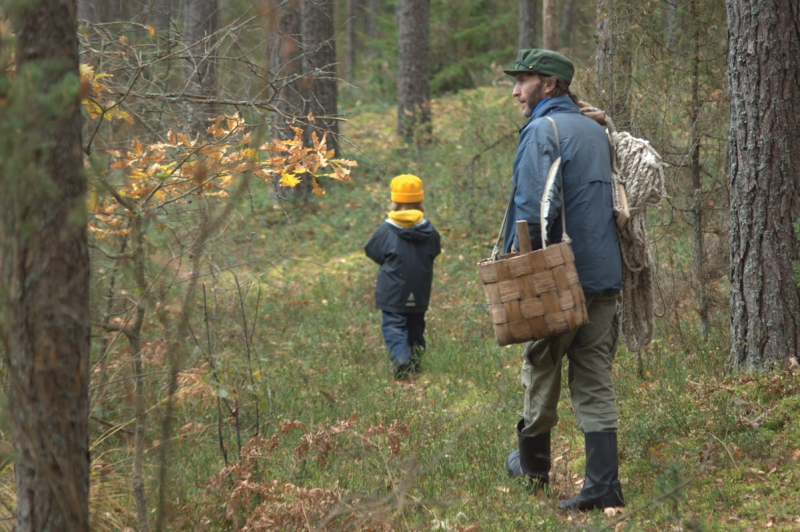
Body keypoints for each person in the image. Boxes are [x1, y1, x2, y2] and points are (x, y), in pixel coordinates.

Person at [501, 49, 626, 511]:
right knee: (594, 377)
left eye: (524, 81)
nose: (516, 91)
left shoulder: (541, 130)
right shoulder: (596, 130)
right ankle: (603, 486)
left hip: (558, 278)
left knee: (540, 366)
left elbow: (533, 209)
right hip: (605, 277)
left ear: (550, 85)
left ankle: (533, 468)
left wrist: (527, 277)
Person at [365, 175, 441, 380]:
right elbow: (435, 249)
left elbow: (372, 250)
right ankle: (415, 364)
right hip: (420, 288)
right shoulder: (429, 230)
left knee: (394, 325)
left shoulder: (387, 230)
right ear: (420, 202)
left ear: (395, 201)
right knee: (416, 325)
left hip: (392, 289)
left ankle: (401, 359)